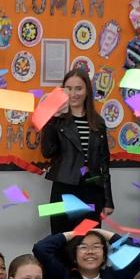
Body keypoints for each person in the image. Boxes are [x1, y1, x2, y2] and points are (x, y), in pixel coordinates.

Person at [38, 67, 112, 218]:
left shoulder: (98, 122)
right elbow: (47, 152)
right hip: (62, 188)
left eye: (78, 88)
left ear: (87, 91)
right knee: (61, 238)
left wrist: (108, 200)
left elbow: (104, 163)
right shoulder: (56, 120)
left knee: (89, 238)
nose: (73, 94)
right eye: (69, 89)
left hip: (92, 190)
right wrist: (52, 118)